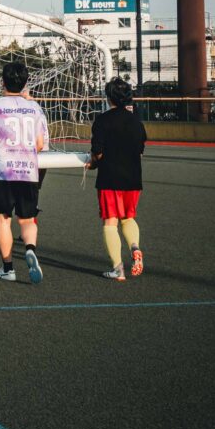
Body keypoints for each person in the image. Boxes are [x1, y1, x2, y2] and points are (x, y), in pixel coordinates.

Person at [0, 61, 49, 284]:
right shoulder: (34, 107)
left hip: (3, 171)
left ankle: (8, 268)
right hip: (28, 170)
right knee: (27, 219)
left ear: (2, 81)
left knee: (3, 220)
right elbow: (40, 144)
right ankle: (29, 249)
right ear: (25, 82)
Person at [86, 77, 147, 281]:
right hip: (133, 178)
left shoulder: (102, 120)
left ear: (108, 97)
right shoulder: (136, 121)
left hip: (109, 178)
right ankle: (135, 247)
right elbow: (140, 150)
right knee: (128, 218)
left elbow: (98, 152)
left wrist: (93, 164)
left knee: (110, 222)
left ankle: (118, 269)